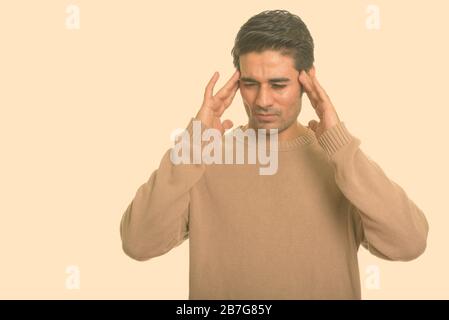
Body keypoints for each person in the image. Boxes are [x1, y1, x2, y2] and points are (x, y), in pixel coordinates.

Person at [119, 9, 429, 299]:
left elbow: (409, 243)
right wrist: (193, 143)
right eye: (250, 84)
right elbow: (138, 243)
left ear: (307, 81)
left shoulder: (341, 162)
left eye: (278, 84)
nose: (262, 100)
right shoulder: (201, 158)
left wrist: (340, 143)